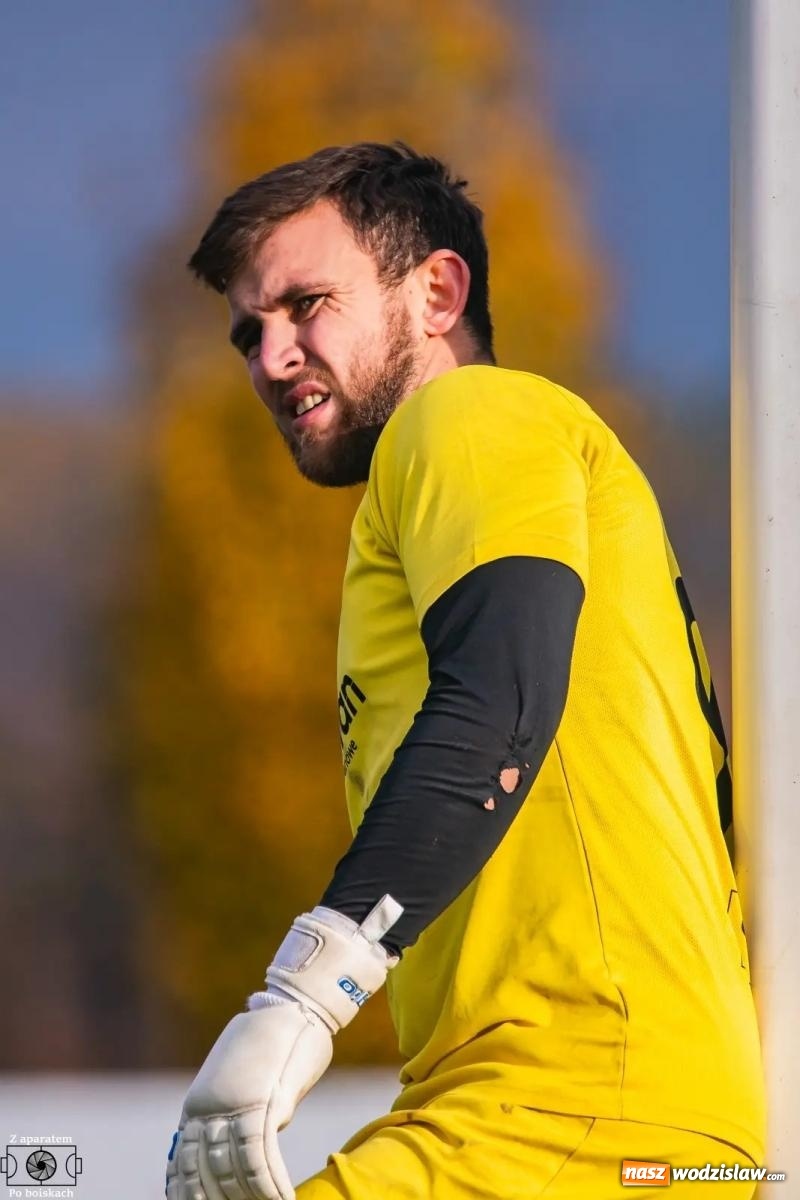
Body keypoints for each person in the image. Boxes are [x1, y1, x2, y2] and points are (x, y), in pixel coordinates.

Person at [166, 142, 765, 1199]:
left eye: (307, 304)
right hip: (577, 1118)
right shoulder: (437, 494)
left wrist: (300, 999)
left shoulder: (468, 415)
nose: (270, 356)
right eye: (249, 333)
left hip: (568, 1112)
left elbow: (497, 700)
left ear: (437, 290)